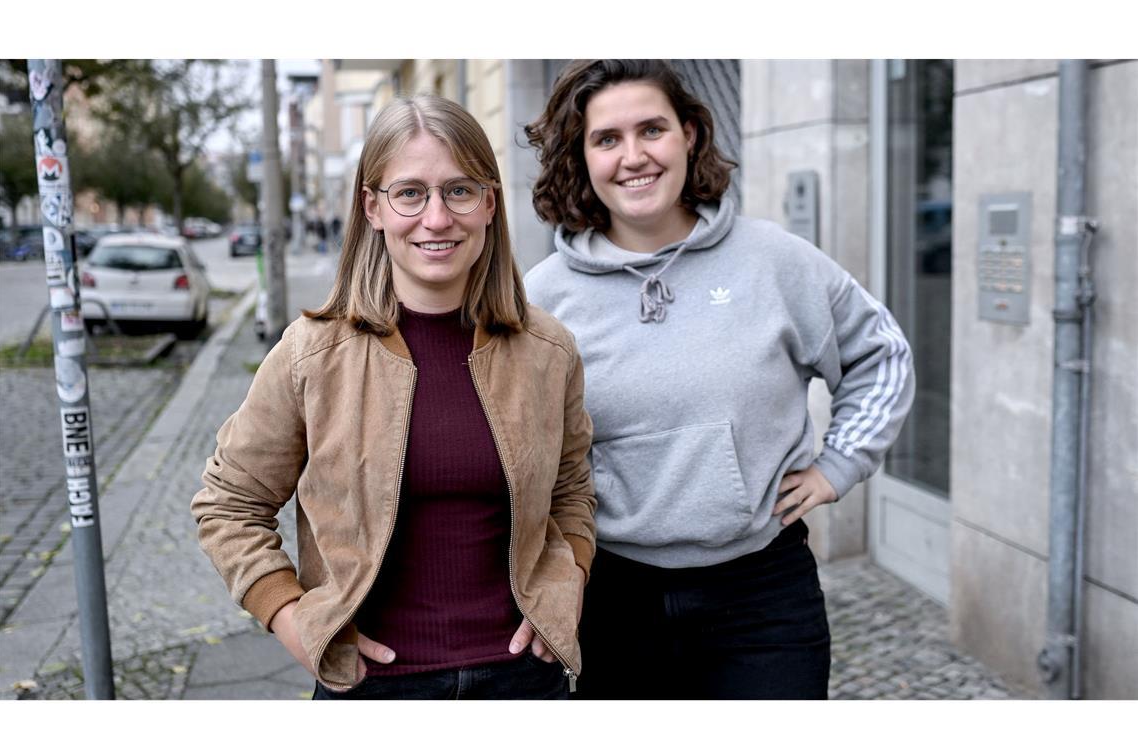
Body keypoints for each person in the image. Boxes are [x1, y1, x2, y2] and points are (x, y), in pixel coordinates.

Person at [523, 59, 915, 699]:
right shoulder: (542, 299)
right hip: (612, 594)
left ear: (690, 136)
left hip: (762, 596)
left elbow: (883, 355)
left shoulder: (775, 261)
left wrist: (839, 465)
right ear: (582, 157)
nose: (634, 156)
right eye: (607, 139)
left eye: (652, 129)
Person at [191, 94, 596, 700]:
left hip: (522, 681)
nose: (436, 218)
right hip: (374, 687)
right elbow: (228, 504)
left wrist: (570, 584)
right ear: (372, 207)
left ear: (489, 202)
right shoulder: (312, 355)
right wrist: (291, 620)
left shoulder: (547, 350)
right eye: (410, 193)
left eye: (459, 190)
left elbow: (571, 492)